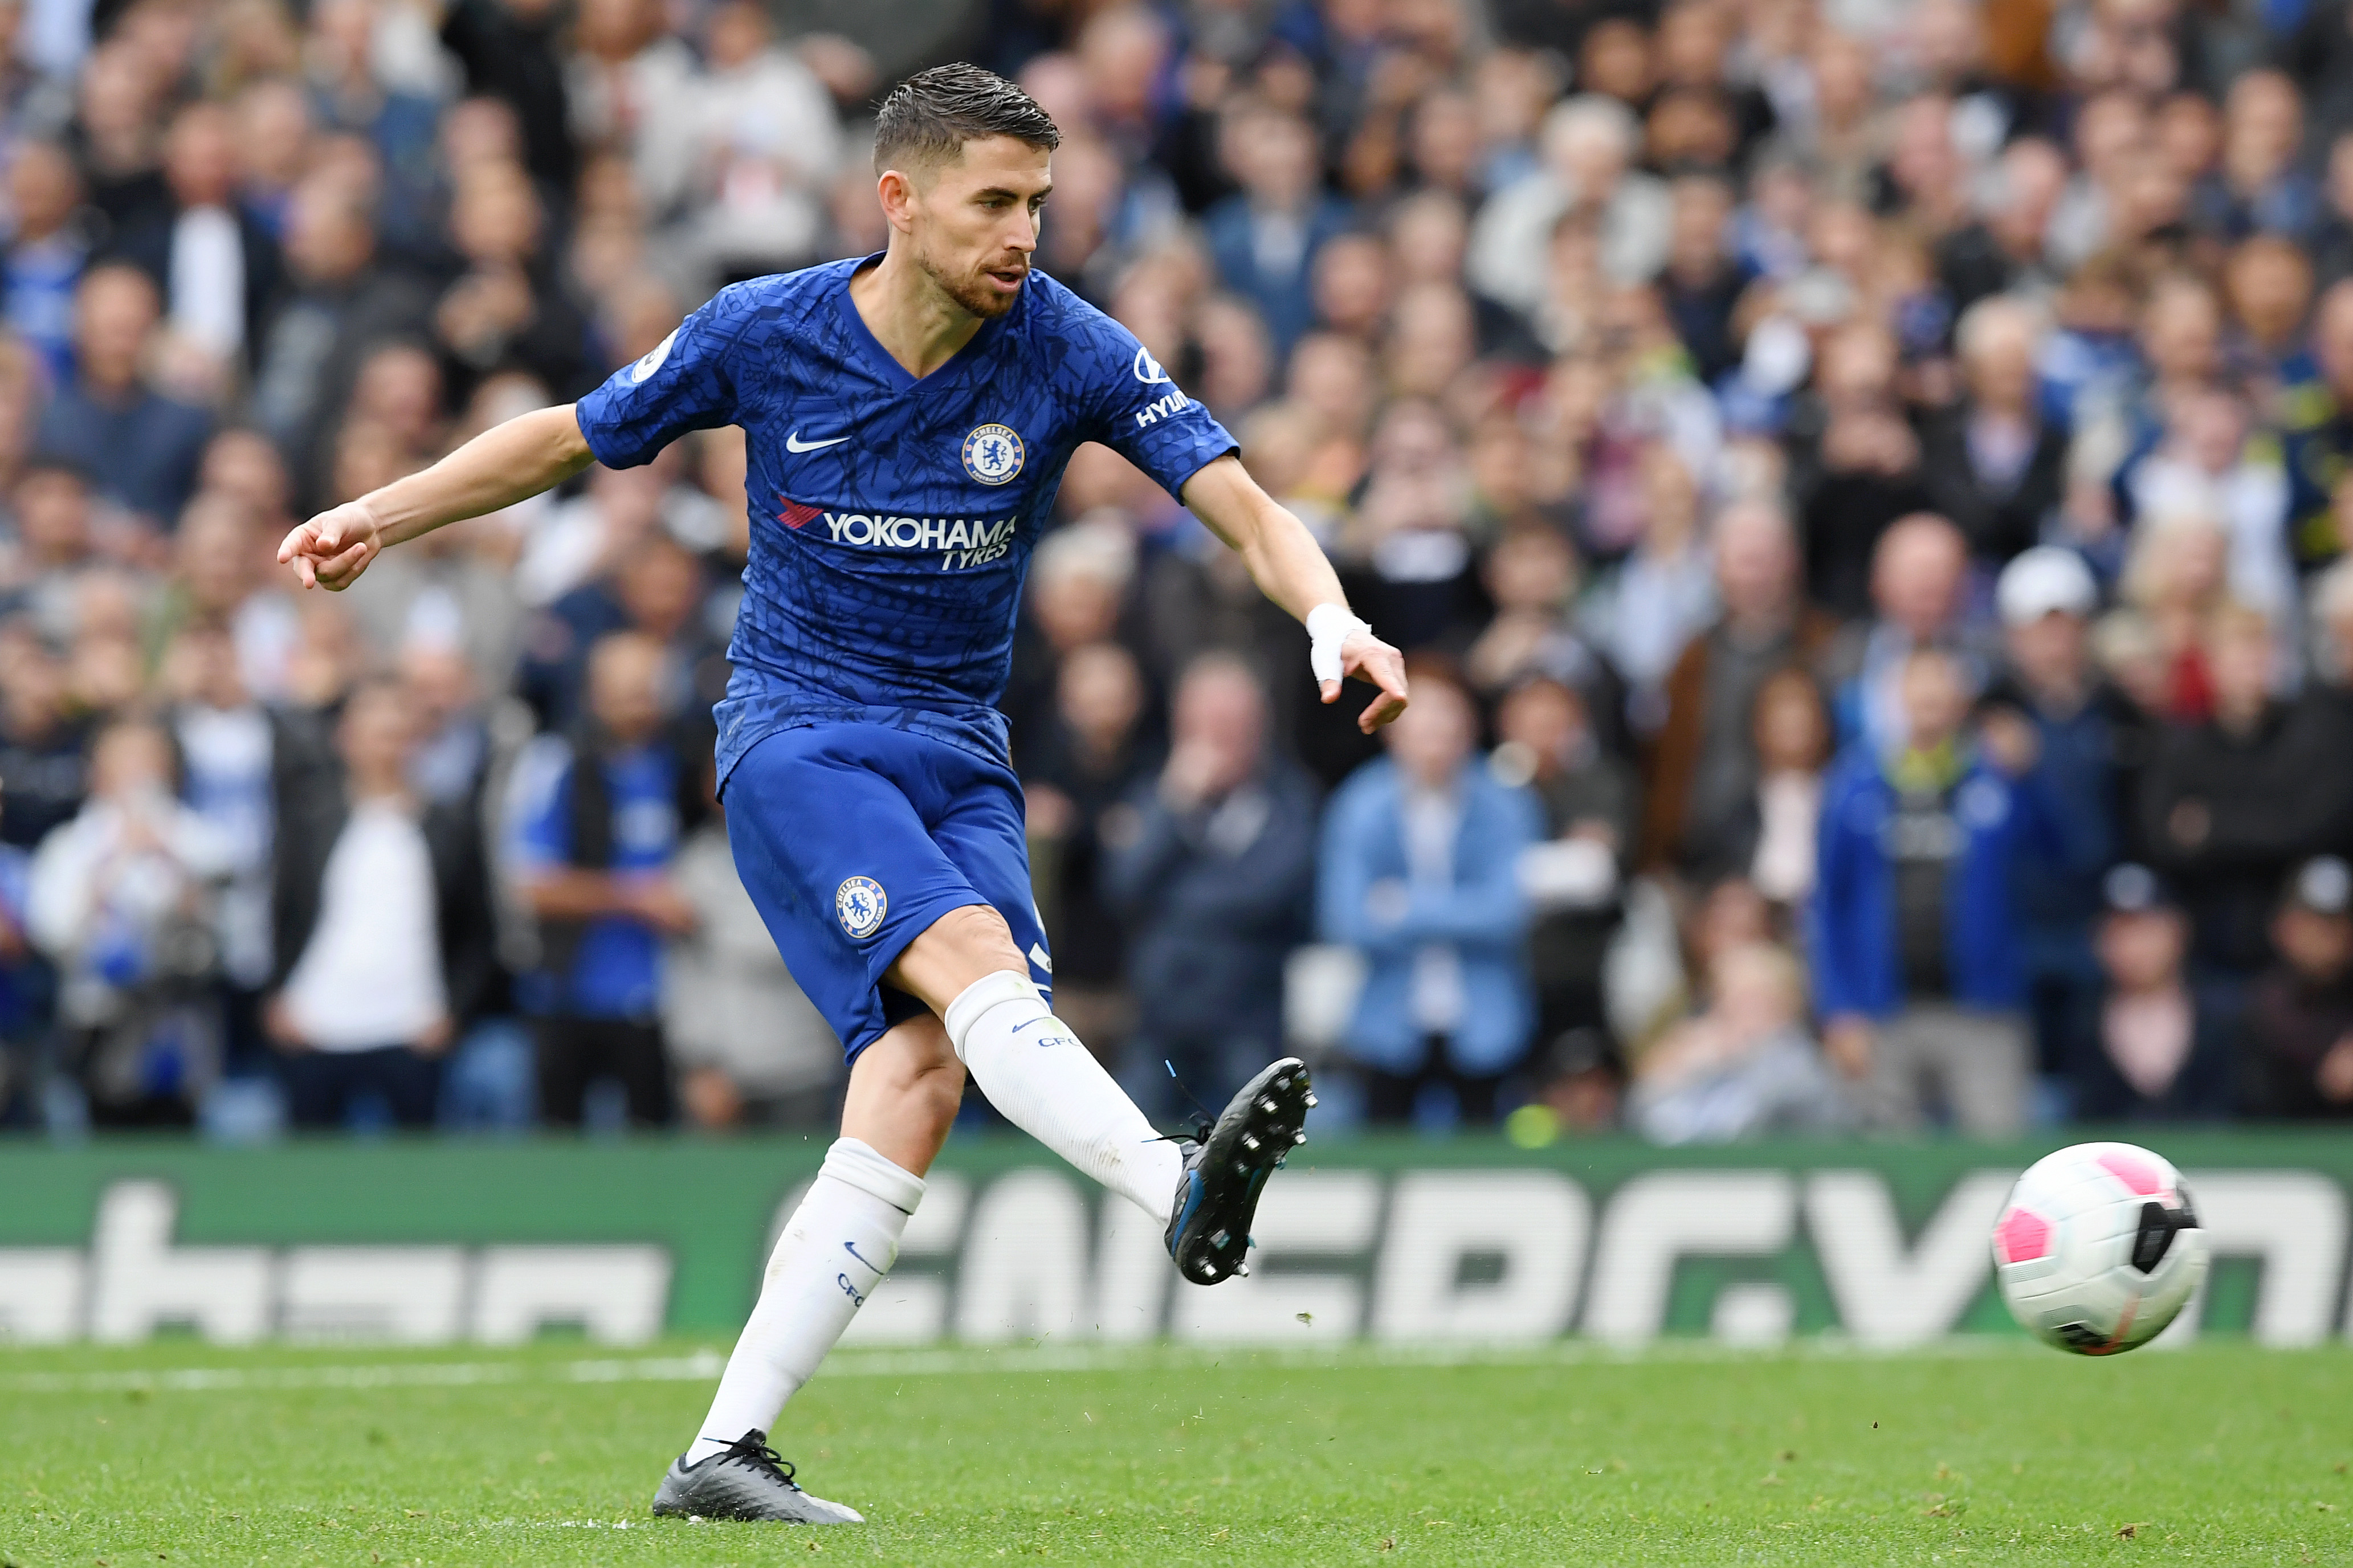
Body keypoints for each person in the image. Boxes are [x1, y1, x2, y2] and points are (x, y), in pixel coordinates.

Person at [276, 65, 1405, 1525]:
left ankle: (720, 1455)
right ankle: (1168, 1183)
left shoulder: (1064, 348)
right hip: (799, 741)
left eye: (1038, 205)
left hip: (960, 753)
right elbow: (568, 433)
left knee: (926, 1074)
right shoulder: (766, 330)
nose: (1022, 234)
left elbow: (1238, 501)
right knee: (982, 974)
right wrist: (381, 510)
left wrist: (1328, 619)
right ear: (899, 199)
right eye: (993, 202)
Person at [1810, 647, 2059, 1136]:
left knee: (1997, 1157)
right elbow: (1827, 903)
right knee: (1885, 1162)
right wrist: (1838, 1009)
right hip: (1883, 1011)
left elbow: (2055, 863)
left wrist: (2031, 778)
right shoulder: (1855, 785)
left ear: (1961, 700)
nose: (1929, 697)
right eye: (1917, 685)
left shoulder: (1997, 778)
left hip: (1983, 1009)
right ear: (1895, 697)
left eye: (1940, 685)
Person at [267, 680, 500, 1129]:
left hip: (411, 1029)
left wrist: (453, 1011)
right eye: (374, 731)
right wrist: (279, 993)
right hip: (317, 1023)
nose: (385, 745)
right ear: (345, 739)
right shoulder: (310, 818)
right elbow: (284, 909)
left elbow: (479, 932)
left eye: (396, 731)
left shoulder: (449, 825)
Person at [1099, 653, 1319, 1119]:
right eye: (1205, 724)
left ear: (1258, 726)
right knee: (1133, 1143)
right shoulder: (1157, 797)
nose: (1218, 739)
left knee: (1252, 1153)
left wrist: (1174, 904)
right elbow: (1122, 885)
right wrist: (1174, 805)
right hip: (1159, 1017)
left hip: (1247, 1017)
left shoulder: (1289, 799)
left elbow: (1272, 895)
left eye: (1231, 724)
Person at [1318, 663, 1538, 1126]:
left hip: (1486, 1019)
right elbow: (1347, 919)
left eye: (1448, 716)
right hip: (1386, 1021)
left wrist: (1403, 907)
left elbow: (1506, 912)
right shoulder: (1360, 805)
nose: (1435, 732)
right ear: (1391, 729)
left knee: (1487, 1162)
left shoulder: (1506, 803)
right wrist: (1462, 910)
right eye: (1420, 718)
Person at [2072, 863, 2238, 1121]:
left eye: (2147, 930)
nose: (2135, 948)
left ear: (2178, 931)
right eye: (2122, 932)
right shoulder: (2082, 1018)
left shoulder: (2223, 1011)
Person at [2241, 855, 2353, 1119]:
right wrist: (2324, 1084)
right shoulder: (2258, 1006)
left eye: (2334, 925)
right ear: (2281, 927)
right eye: (2309, 923)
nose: (2321, 938)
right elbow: (2254, 1113)